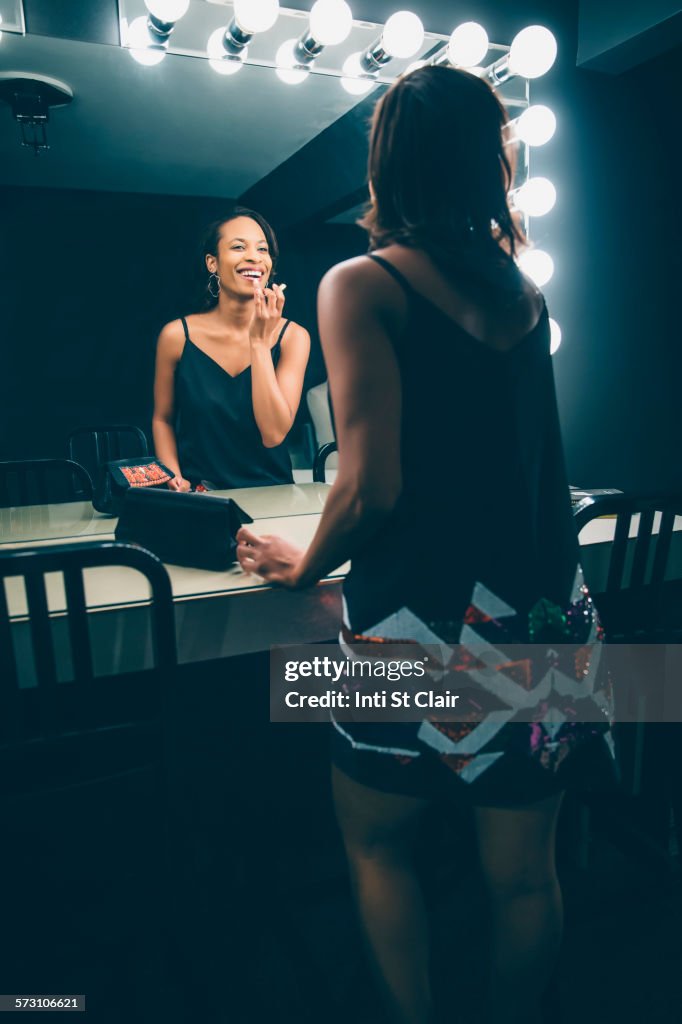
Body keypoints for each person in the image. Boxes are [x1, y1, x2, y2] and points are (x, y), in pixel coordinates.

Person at [236, 67, 614, 1024]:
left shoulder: (361, 281)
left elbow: (372, 487)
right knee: (523, 881)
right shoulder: (522, 294)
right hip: (540, 617)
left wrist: (304, 563)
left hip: (420, 629)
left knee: (377, 847)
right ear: (488, 161)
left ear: (388, 159)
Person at [153, 208, 310, 490]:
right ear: (212, 263)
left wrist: (259, 343)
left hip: (274, 498)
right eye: (239, 247)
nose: (254, 256)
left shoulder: (293, 337)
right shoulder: (177, 335)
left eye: (263, 249)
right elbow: (162, 419)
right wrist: (172, 475)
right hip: (202, 498)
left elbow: (273, 434)